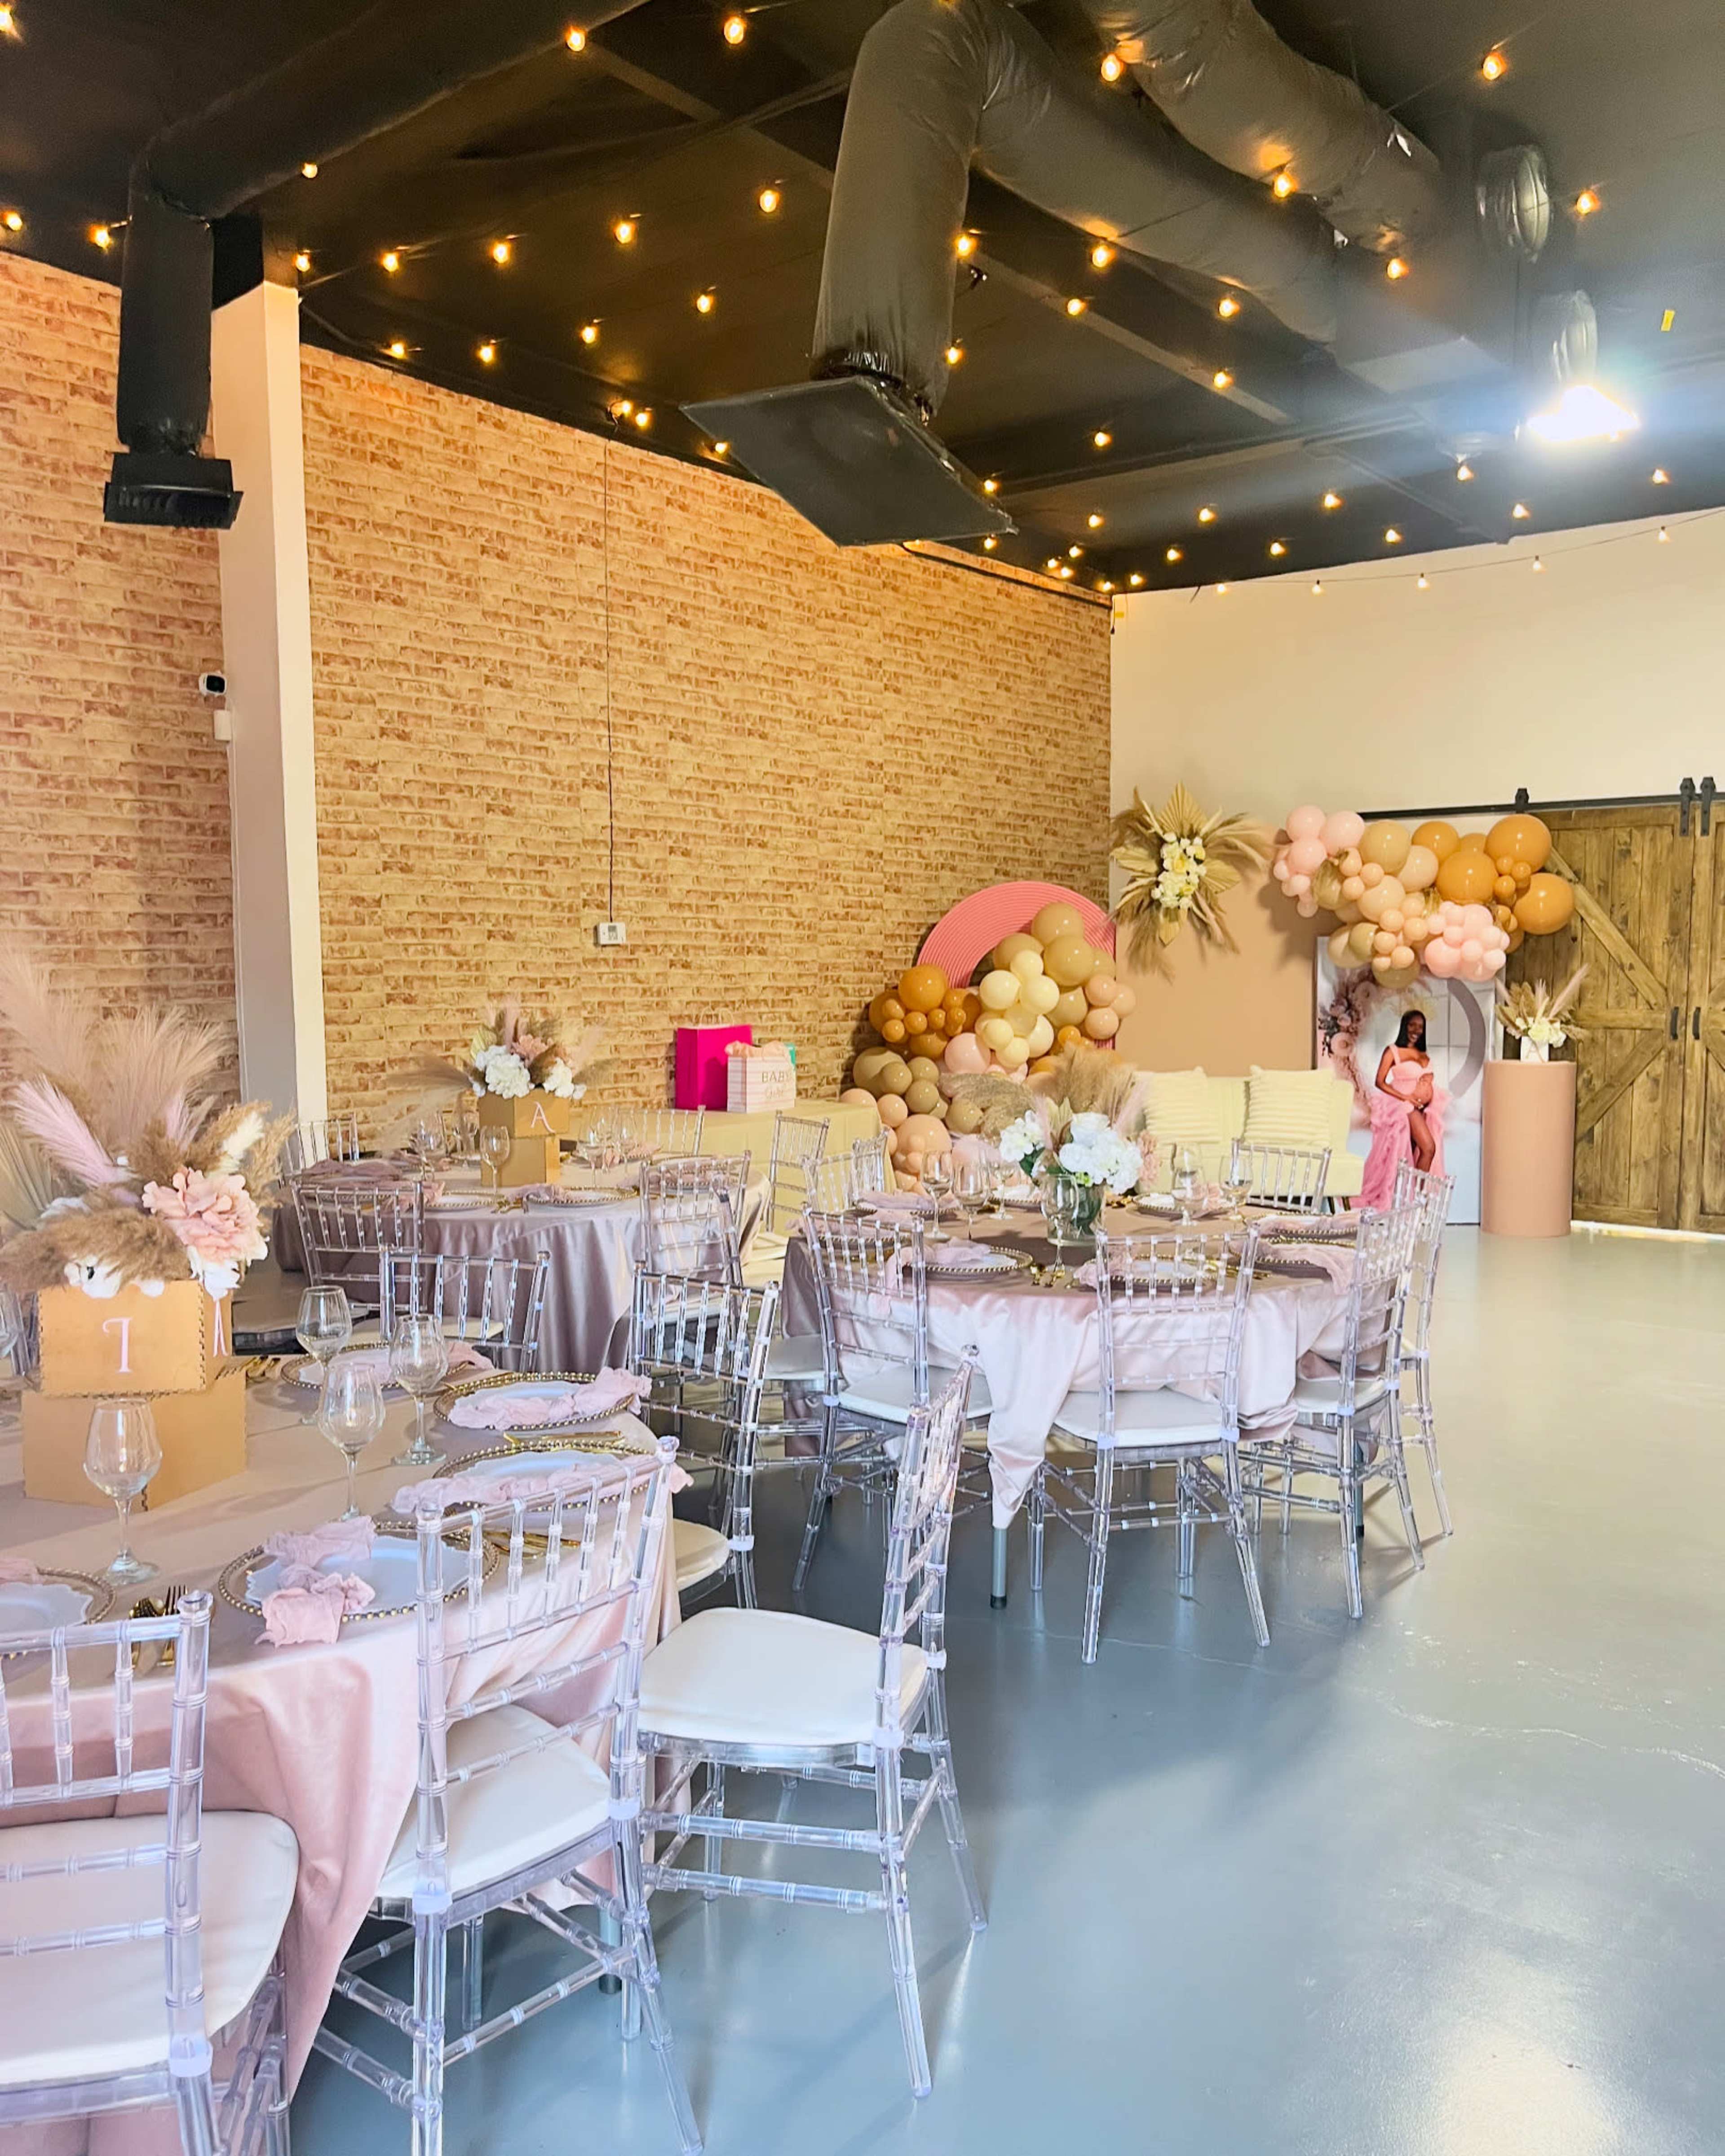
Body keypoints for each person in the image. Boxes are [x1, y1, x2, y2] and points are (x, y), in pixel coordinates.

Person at [1360, 1009, 1445, 1206]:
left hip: (1424, 1109)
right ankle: (1418, 1200)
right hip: (1405, 1106)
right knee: (1428, 1148)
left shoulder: (1422, 1053)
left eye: (1421, 1026)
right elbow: (1380, 1082)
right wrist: (1405, 1097)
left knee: (1414, 1156)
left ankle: (1410, 1198)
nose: (1417, 1030)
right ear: (1404, 1026)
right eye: (1412, 1025)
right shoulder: (1393, 1051)